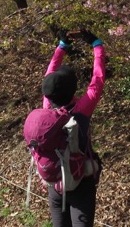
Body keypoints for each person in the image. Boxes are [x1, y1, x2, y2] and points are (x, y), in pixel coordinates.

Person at [41, 28, 106, 227]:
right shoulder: (81, 111)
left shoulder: (47, 107)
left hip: (56, 183)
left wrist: (62, 46)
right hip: (81, 182)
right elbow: (98, 79)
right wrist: (96, 44)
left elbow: (50, 74)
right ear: (73, 89)